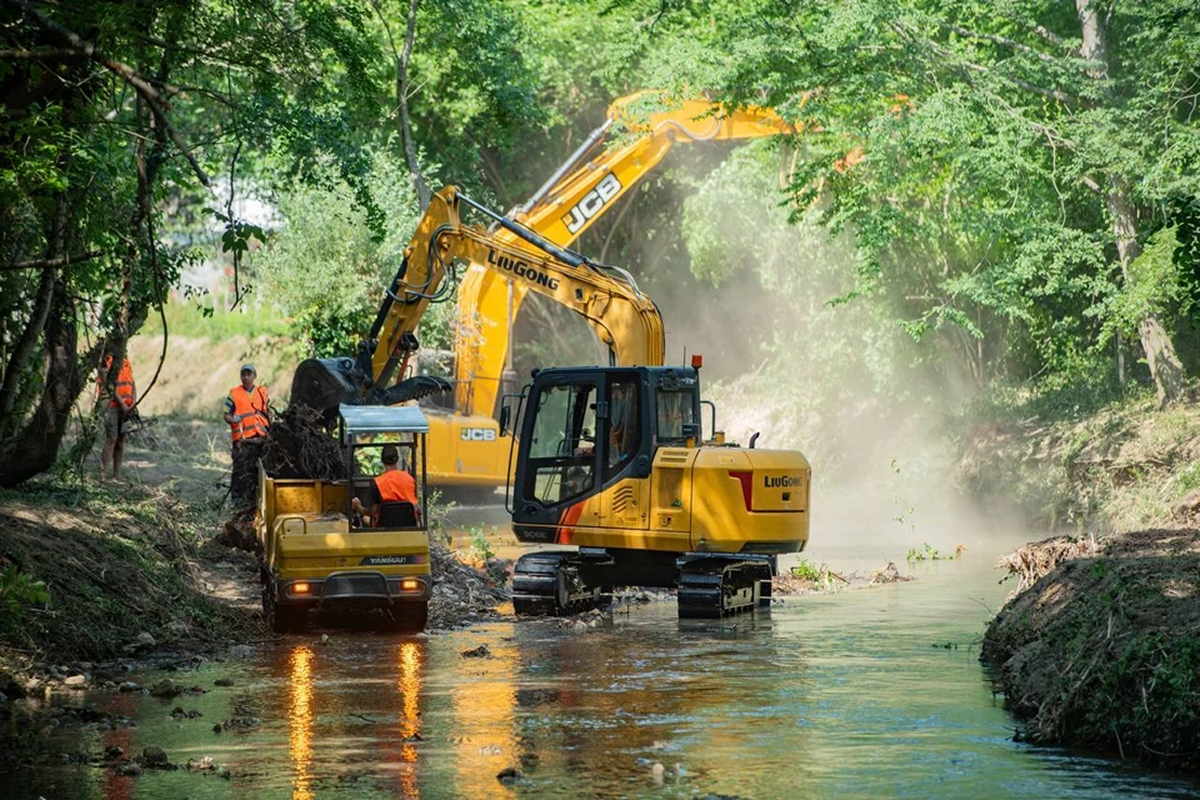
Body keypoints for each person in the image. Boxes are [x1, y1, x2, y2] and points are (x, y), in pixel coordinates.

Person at [224, 364, 270, 508]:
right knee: (240, 471)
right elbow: (226, 415)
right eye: (243, 374)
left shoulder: (262, 392)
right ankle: (236, 501)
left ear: (254, 376)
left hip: (261, 437)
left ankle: (257, 500)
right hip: (243, 441)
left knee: (261, 470)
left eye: (249, 374)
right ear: (240, 377)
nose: (246, 377)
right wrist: (232, 419)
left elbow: (268, 412)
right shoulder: (234, 394)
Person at [352, 444, 419, 527]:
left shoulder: (377, 482)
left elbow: (373, 512)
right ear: (397, 459)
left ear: (382, 460)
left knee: (364, 518)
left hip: (384, 527)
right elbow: (415, 504)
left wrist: (359, 507)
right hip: (410, 525)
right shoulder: (410, 479)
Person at [97, 354, 136, 479]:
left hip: (126, 408)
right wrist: (123, 405)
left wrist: (133, 404)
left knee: (121, 441)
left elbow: (132, 384)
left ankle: (116, 475)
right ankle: (102, 475)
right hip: (111, 406)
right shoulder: (105, 363)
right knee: (111, 438)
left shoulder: (126, 362)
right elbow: (109, 387)